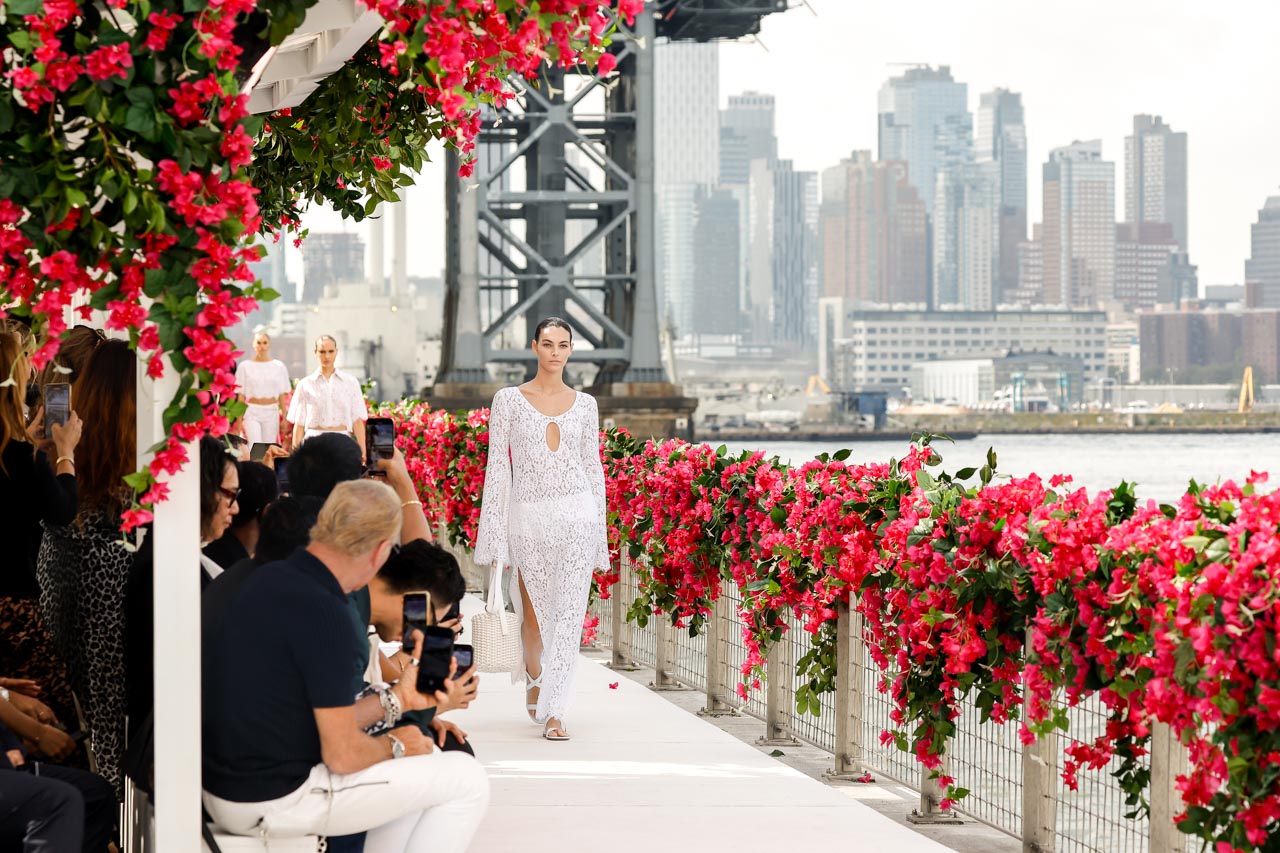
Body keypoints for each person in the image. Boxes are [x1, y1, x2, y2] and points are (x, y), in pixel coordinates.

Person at [202, 480, 489, 852]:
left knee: (423, 766)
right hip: (269, 798)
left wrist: (400, 700)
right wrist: (396, 744)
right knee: (466, 779)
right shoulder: (330, 612)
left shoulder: (275, 578)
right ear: (381, 552)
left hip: (224, 783)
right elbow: (343, 753)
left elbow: (322, 715)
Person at [474, 317, 609, 741]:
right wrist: (494, 536)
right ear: (534, 346)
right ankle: (535, 675)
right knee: (532, 618)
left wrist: (601, 536)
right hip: (527, 521)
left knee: (568, 618)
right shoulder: (508, 400)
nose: (555, 352)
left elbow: (593, 469)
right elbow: (498, 468)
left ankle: (555, 710)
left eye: (563, 344)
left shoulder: (586, 405)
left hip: (578, 519)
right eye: (547, 343)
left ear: (571, 350)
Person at [37, 339, 137, 794]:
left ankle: (78, 799)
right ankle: (110, 809)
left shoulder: (69, 436)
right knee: (110, 707)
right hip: (113, 583)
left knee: (69, 700)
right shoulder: (138, 446)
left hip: (57, 574)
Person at [0, 328, 82, 731]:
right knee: (51, 716)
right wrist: (65, 453)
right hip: (13, 608)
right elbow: (61, 510)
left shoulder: (15, 451)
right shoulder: (17, 455)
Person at [287, 335, 367, 453]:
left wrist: (363, 450)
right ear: (315, 353)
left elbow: (357, 421)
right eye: (322, 352)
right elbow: (299, 425)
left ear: (336, 352)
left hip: (343, 443)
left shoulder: (350, 382)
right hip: (313, 445)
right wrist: (295, 457)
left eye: (330, 351)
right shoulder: (305, 384)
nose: (327, 356)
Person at [203, 459, 277, 569]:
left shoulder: (206, 555)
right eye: (230, 494)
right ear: (267, 512)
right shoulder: (245, 574)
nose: (235, 508)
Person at [234, 332, 291, 445]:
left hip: (271, 411)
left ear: (269, 344)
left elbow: (281, 395)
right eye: (258, 343)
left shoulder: (278, 366)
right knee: (255, 446)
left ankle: (266, 464)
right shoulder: (244, 366)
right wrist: (239, 422)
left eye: (265, 343)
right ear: (253, 345)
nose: (262, 346)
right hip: (252, 411)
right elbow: (241, 396)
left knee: (268, 447)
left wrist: (284, 418)